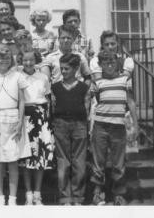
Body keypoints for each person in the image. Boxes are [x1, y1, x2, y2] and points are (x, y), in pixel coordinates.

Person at [0, 44, 30, 205]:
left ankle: (13, 198)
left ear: (12, 59)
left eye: (7, 57)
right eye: (1, 57)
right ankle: (0, 197)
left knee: (12, 161)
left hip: (13, 121)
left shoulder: (18, 76)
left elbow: (22, 101)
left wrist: (19, 124)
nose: (4, 60)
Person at [90, 50, 139, 206]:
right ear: (101, 65)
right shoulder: (97, 82)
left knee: (118, 163)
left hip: (118, 126)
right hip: (100, 126)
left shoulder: (125, 80)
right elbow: (93, 101)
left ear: (117, 62)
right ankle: (98, 193)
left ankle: (119, 195)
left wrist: (136, 125)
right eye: (106, 62)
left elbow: (130, 103)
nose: (109, 64)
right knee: (99, 162)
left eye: (112, 61)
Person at [51, 53, 91, 205]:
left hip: (79, 126)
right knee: (63, 163)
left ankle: (78, 197)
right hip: (60, 125)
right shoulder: (55, 87)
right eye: (61, 68)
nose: (63, 71)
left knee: (79, 163)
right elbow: (53, 107)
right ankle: (65, 197)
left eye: (66, 68)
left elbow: (87, 108)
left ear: (75, 69)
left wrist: (86, 126)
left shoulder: (83, 88)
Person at [18, 48, 54, 205]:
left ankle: (38, 194)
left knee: (40, 156)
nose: (28, 63)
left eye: (31, 60)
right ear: (21, 60)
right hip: (24, 117)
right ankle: (28, 194)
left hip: (41, 117)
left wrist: (47, 120)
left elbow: (47, 99)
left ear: (36, 60)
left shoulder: (43, 77)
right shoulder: (18, 77)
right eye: (25, 60)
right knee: (26, 157)